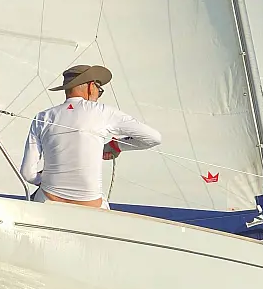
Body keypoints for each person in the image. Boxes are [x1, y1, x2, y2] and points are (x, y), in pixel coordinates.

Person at [20, 64, 161, 208]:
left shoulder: (42, 117)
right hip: (91, 206)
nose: (98, 95)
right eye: (99, 90)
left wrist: (42, 179)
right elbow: (153, 138)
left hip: (48, 202)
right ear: (91, 86)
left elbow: (27, 173)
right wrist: (116, 146)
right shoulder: (103, 112)